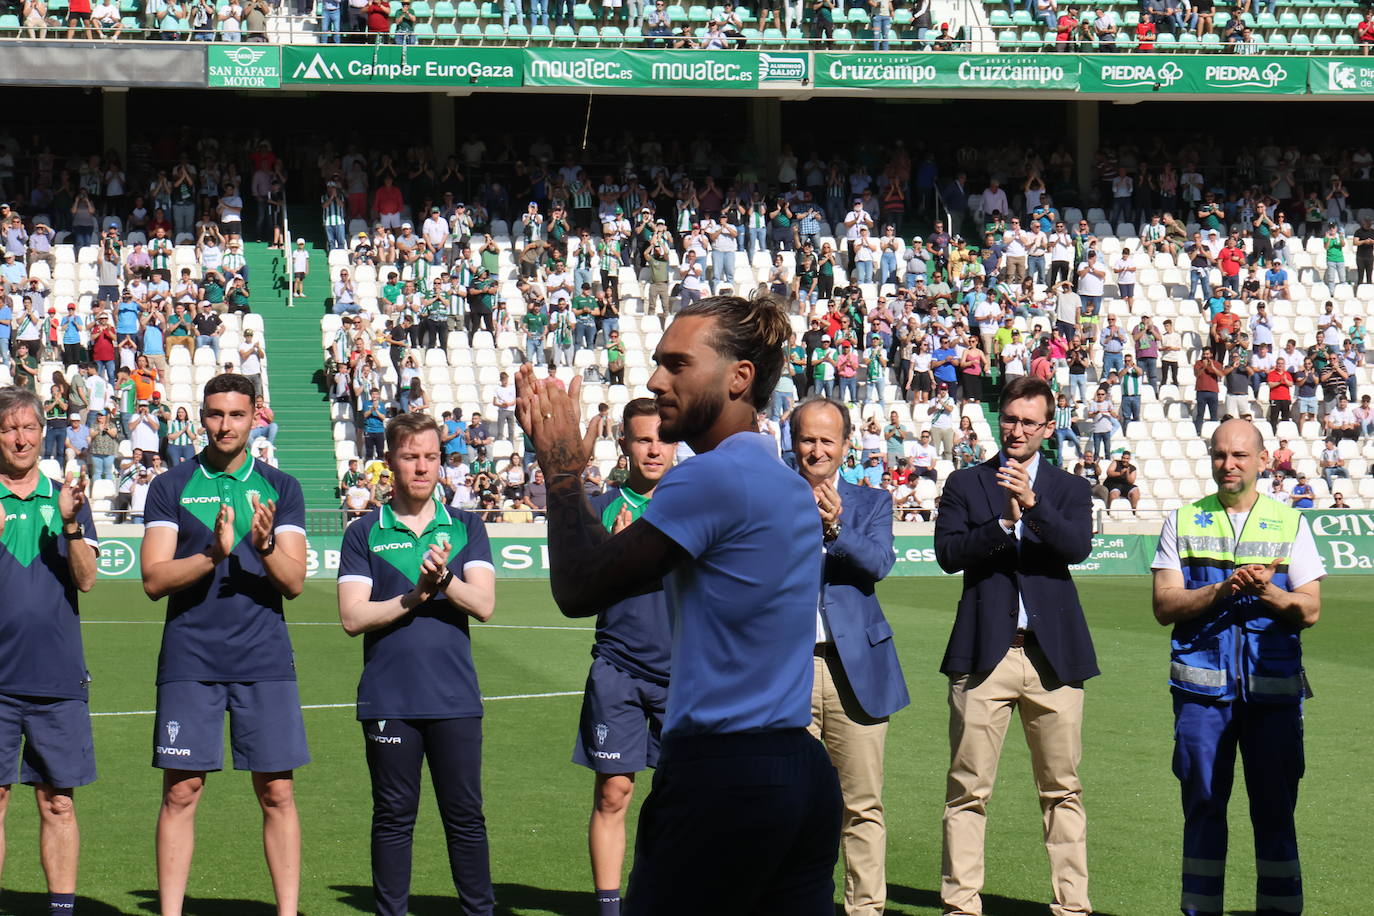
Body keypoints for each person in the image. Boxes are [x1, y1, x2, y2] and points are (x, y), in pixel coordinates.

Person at [514, 294, 842, 915]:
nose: (655, 379)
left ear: (739, 377)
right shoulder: (783, 481)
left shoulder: (709, 477)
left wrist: (560, 473)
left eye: (677, 364)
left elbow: (577, 589)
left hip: (722, 778)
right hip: (798, 767)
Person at [139, 373, 309, 916]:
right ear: (202, 415)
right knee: (181, 791)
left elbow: (295, 581)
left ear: (255, 414)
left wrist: (261, 546)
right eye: (215, 414)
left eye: (236, 415)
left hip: (264, 660)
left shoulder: (282, 488)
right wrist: (213, 552)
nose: (224, 425)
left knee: (277, 793)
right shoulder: (171, 485)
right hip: (191, 658)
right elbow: (153, 579)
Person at [934, 375, 1097, 916]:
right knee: (967, 789)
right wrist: (1005, 521)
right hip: (985, 655)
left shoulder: (1069, 489)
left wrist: (1034, 505)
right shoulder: (965, 483)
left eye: (1029, 421)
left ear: (1048, 428)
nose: (1017, 429)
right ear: (997, 420)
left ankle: (1072, 905)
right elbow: (949, 554)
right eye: (1010, 419)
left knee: (1062, 789)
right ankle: (961, 903)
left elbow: (1075, 548)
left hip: (1052, 659)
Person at [1151, 419, 1324, 916]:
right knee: (1203, 810)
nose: (1229, 465)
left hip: (1273, 696)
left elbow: (1309, 610)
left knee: (1276, 814)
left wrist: (1266, 591)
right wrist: (1224, 588)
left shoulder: (1290, 522)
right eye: (1220, 455)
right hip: (1202, 697)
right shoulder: (1182, 520)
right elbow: (1164, 605)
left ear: (1263, 461)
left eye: (1240, 456)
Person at [337, 411, 497, 916]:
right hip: (389, 697)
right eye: (410, 457)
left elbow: (485, 605)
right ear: (390, 463)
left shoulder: (467, 526)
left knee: (465, 817)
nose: (422, 467)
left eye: (431, 457)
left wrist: (444, 581)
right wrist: (416, 596)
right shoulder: (364, 532)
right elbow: (352, 617)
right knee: (393, 817)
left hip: (454, 697)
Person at [792, 397, 908, 916]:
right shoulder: (770, 499)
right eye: (807, 439)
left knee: (862, 805)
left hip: (855, 671)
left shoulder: (872, 502)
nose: (817, 450)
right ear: (792, 442)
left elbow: (879, 563)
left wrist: (838, 531)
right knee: (791, 804)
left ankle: (865, 909)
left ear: (845, 446)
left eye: (827, 440)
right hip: (786, 672)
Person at [0, 387, 99, 916]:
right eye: (8, 428)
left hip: (58, 681)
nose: (20, 438)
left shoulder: (68, 497)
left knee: (58, 802)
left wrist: (70, 524)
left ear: (43, 432)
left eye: (28, 427)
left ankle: (61, 911)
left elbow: (86, 581)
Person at [573, 398, 673, 916]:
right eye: (642, 439)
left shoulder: (695, 503)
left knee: (687, 799)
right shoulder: (605, 508)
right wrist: (613, 556)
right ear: (625, 446)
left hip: (687, 675)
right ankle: (610, 910)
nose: (654, 448)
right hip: (618, 668)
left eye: (663, 437)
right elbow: (577, 590)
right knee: (613, 792)